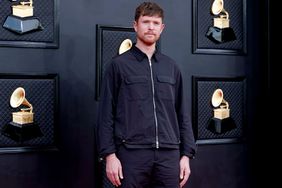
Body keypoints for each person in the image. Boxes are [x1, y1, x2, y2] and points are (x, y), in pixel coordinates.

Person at [96, 2, 196, 187]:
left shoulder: (171, 67)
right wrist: (109, 155)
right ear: (135, 25)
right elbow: (105, 114)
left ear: (162, 28)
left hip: (169, 155)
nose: (151, 27)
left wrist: (186, 155)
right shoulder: (118, 65)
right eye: (146, 21)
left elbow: (183, 113)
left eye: (156, 23)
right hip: (131, 155)